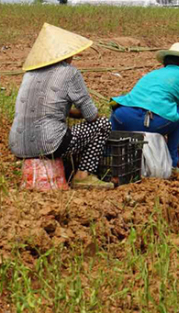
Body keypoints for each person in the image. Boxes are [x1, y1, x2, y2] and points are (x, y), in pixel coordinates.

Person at [9, 23, 113, 189]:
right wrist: (91, 115)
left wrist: (69, 112)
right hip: (50, 144)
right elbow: (91, 115)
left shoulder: (29, 74)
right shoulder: (69, 72)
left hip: (18, 144)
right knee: (102, 125)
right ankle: (83, 175)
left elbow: (44, 107)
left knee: (64, 131)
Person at [110, 43, 179, 172]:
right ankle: (172, 163)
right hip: (152, 123)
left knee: (115, 122)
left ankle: (110, 161)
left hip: (122, 117)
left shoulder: (152, 74)